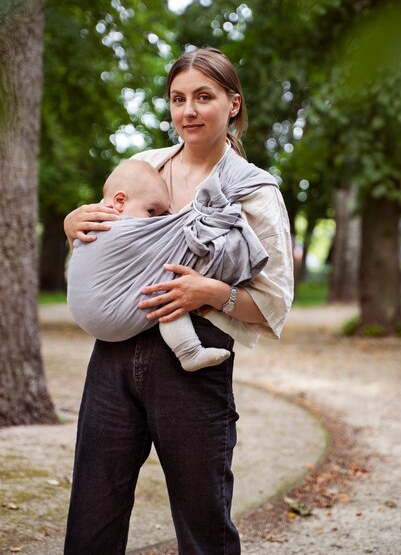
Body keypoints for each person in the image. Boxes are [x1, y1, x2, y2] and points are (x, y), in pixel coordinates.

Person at [63, 47, 294, 555]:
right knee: (93, 513)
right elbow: (107, 246)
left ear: (233, 104)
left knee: (202, 520)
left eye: (203, 97)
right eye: (178, 98)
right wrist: (72, 225)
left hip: (193, 363)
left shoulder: (254, 192)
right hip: (114, 357)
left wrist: (211, 292)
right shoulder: (142, 168)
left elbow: (275, 303)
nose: (187, 111)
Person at [67, 157, 233, 371]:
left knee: (165, 285)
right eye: (152, 212)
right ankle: (189, 351)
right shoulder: (114, 229)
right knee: (166, 285)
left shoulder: (95, 225)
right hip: (112, 321)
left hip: (83, 313)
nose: (155, 221)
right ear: (119, 201)